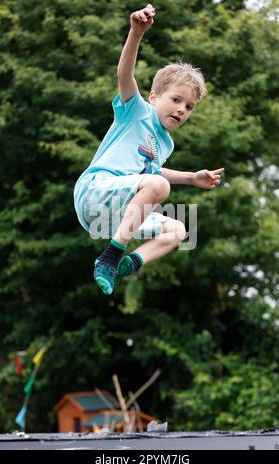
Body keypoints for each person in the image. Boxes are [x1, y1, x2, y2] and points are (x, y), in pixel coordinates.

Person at [74, 4, 224, 295]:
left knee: (178, 231)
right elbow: (124, 73)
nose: (181, 110)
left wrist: (192, 178)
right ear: (154, 97)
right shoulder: (136, 111)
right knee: (158, 186)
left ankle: (124, 264)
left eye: (189, 107)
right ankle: (110, 256)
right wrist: (135, 34)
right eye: (176, 100)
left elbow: (153, 173)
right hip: (95, 190)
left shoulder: (165, 143)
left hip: (109, 219)